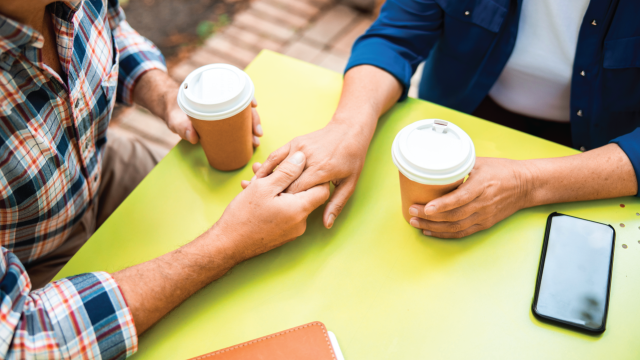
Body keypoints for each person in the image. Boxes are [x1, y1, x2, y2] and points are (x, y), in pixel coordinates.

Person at [0, 0, 304, 357]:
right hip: (29, 265)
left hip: (98, 167)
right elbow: (22, 342)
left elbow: (110, 28)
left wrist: (166, 96)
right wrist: (227, 243)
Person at [250, 0, 640, 239]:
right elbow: (395, 37)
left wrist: (526, 184)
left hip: (597, 155)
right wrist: (347, 127)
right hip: (459, 119)